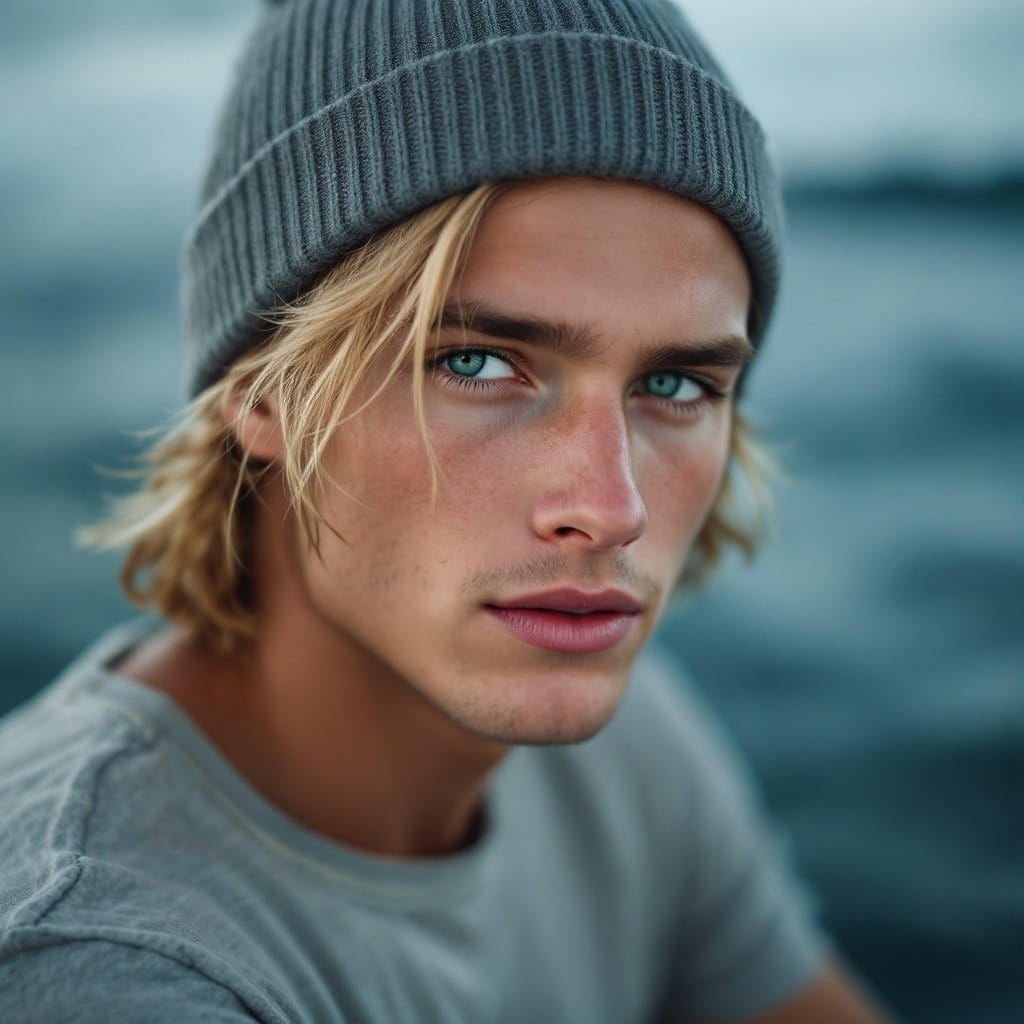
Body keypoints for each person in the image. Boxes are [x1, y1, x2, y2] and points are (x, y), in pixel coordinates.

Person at [0, 1, 895, 1021]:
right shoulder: (102, 959)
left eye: (677, 383)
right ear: (260, 390)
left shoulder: (625, 750)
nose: (610, 508)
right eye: (473, 362)